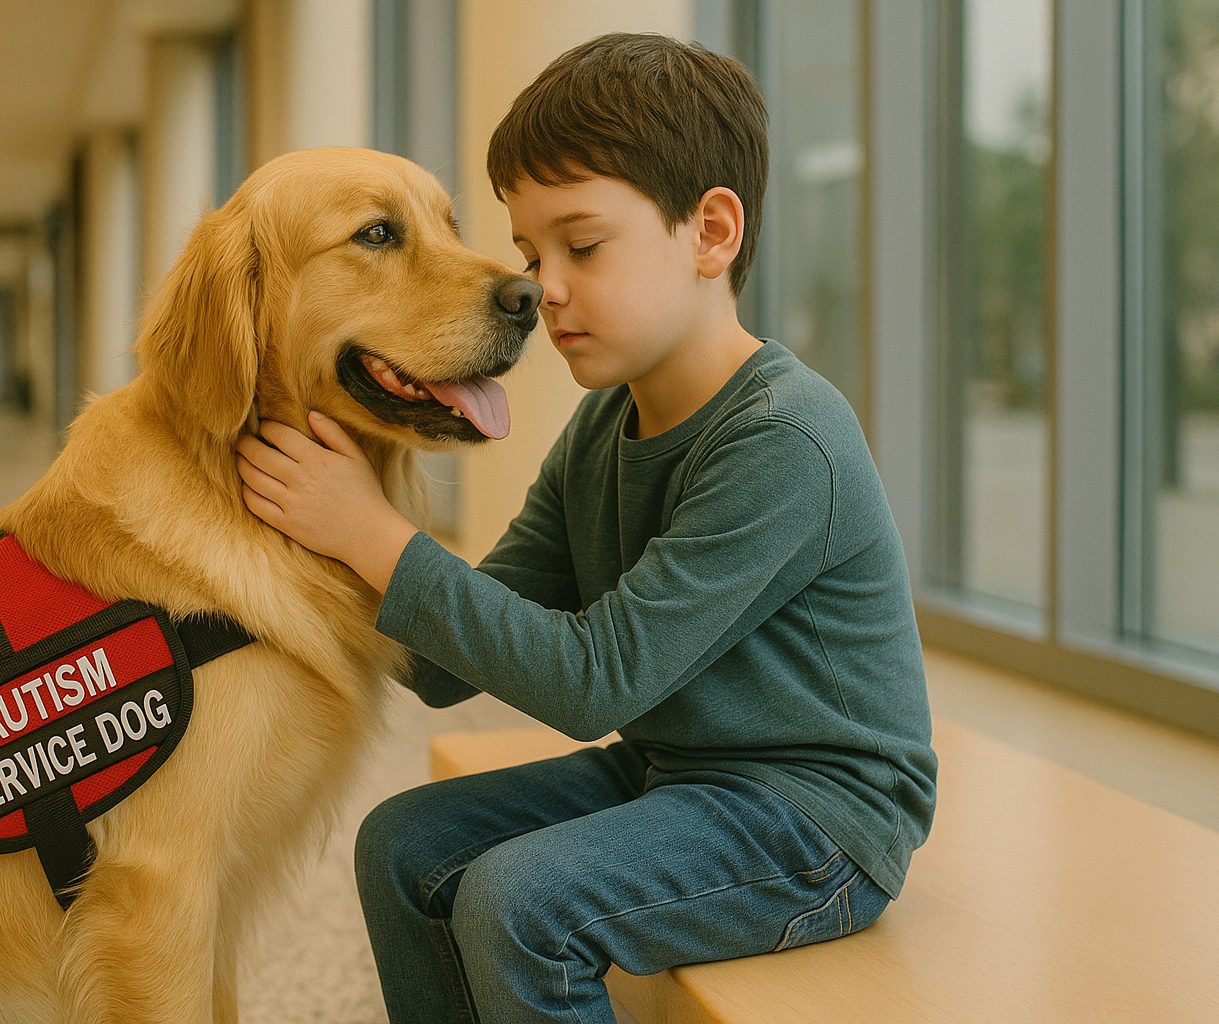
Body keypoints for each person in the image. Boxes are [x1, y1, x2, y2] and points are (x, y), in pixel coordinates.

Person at [234, 31, 937, 1024]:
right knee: (402, 845)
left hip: (815, 817)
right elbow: (443, 666)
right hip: (678, 771)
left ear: (711, 233)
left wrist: (372, 534)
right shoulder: (606, 423)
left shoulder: (788, 438)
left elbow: (593, 679)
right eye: (530, 253)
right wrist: (306, 543)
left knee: (524, 904)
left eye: (583, 245)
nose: (540, 286)